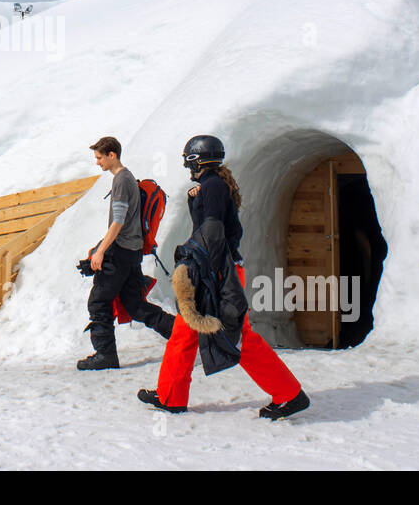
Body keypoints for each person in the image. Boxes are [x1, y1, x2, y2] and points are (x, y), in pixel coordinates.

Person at [139, 135, 311, 418]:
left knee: (238, 337)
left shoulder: (214, 186)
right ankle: (171, 396)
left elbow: (214, 231)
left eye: (189, 160)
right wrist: (196, 200)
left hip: (219, 271)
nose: (187, 166)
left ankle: (290, 395)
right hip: (213, 268)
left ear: (198, 160)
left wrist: (199, 262)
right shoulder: (211, 186)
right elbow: (210, 225)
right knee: (184, 332)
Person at [77, 136, 176, 370]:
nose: (98, 163)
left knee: (99, 302)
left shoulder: (121, 180)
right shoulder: (128, 178)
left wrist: (100, 252)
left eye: (100, 158)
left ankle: (105, 356)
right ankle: (183, 334)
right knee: (135, 305)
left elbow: (118, 221)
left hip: (120, 251)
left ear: (112, 155)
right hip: (131, 252)